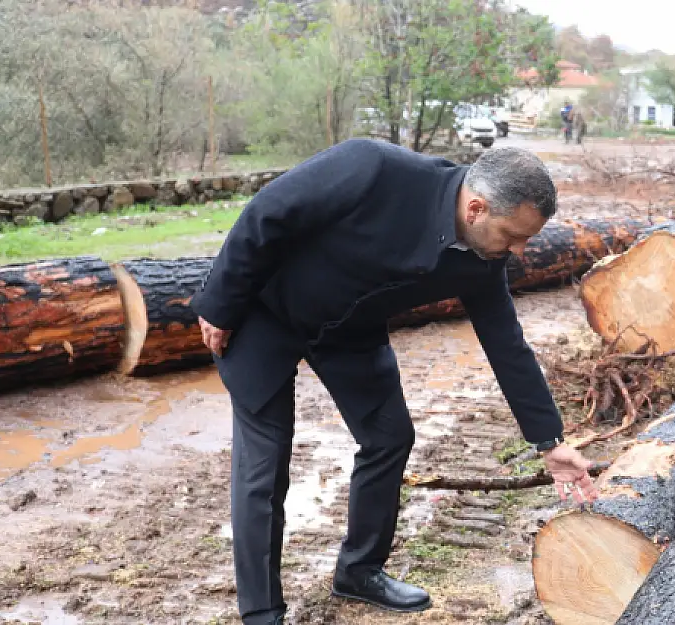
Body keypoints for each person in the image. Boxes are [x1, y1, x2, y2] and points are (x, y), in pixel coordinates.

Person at [189, 140, 599, 625]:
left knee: (390, 437)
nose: (520, 250)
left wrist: (549, 442)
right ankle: (261, 612)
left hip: (349, 331)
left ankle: (360, 571)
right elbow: (269, 212)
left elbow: (507, 345)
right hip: (263, 314)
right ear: (476, 207)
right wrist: (219, 303)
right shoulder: (372, 169)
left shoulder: (482, 260)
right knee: (266, 460)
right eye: (514, 236)